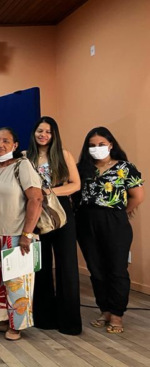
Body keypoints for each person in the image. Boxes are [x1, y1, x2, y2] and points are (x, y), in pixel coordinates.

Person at [75, 127, 144, 334]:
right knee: (95, 269)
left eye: (101, 144)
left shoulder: (125, 167)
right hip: (86, 220)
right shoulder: (82, 168)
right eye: (92, 145)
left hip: (115, 221)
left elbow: (137, 196)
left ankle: (116, 314)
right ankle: (104, 310)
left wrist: (120, 214)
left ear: (111, 145)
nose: (96, 148)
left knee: (117, 268)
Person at [26, 117, 82, 335]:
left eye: (48, 132)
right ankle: (44, 318)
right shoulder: (25, 156)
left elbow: (75, 184)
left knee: (67, 265)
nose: (43, 135)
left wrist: (48, 192)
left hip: (60, 212)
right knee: (40, 266)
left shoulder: (64, 155)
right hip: (35, 213)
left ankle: (69, 322)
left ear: (54, 135)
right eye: (40, 130)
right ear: (34, 132)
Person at [0, 128, 42, 340]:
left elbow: (36, 199)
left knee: (17, 283)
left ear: (15, 145)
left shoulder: (22, 165)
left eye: (5, 141)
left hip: (17, 233)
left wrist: (27, 234)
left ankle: (16, 326)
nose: (0, 145)